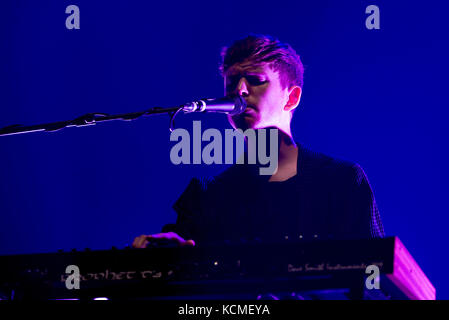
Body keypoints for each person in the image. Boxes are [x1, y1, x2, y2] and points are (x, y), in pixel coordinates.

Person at [132, 34, 385, 249]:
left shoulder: (341, 180)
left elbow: (375, 279)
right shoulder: (206, 194)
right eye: (232, 82)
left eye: (255, 80)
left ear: (292, 98)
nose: (239, 90)